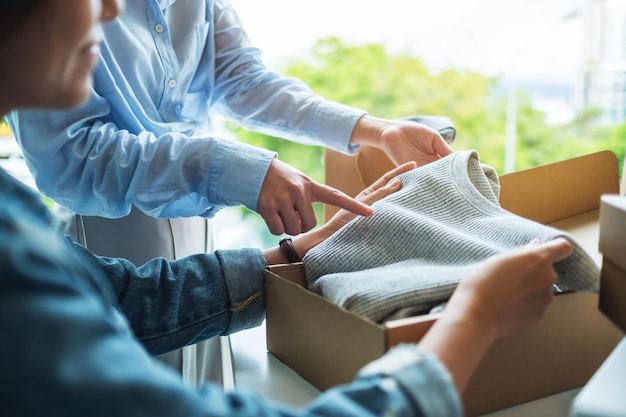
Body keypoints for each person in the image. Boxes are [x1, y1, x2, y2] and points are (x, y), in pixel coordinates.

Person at [0, 1, 576, 415]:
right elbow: (76, 160)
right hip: (108, 224)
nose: (105, 11)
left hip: (182, 245)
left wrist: (296, 248)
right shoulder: (21, 264)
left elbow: (137, 299)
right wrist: (470, 323)